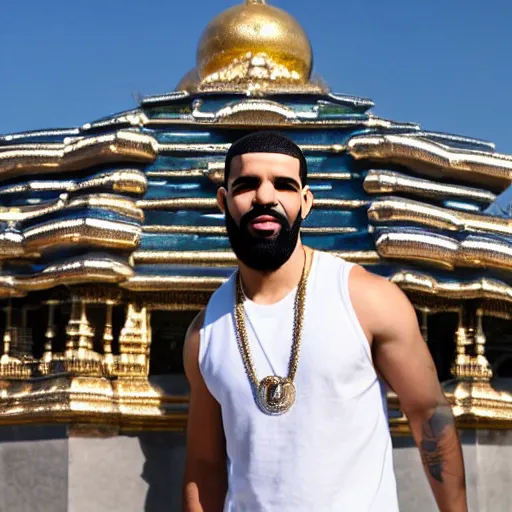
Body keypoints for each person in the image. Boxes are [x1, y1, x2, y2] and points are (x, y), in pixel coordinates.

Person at [182, 132, 467, 512]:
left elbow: (429, 416)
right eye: (247, 184)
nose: (265, 198)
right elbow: (205, 466)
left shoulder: (367, 300)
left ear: (305, 202)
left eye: (283, 185)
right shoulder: (205, 334)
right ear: (224, 200)